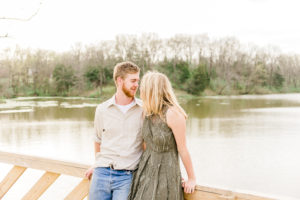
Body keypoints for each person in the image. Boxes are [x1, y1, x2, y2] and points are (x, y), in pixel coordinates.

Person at [128, 71, 196, 200]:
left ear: (152, 91)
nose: (140, 91)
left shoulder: (173, 114)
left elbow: (183, 149)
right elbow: (145, 144)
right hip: (145, 172)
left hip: (166, 174)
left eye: (143, 88)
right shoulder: (146, 112)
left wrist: (191, 178)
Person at [85, 61, 143, 200]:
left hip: (127, 177)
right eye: (133, 81)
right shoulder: (102, 110)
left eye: (137, 81)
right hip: (101, 173)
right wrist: (97, 163)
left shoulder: (144, 110)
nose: (136, 85)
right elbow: (98, 139)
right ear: (119, 80)